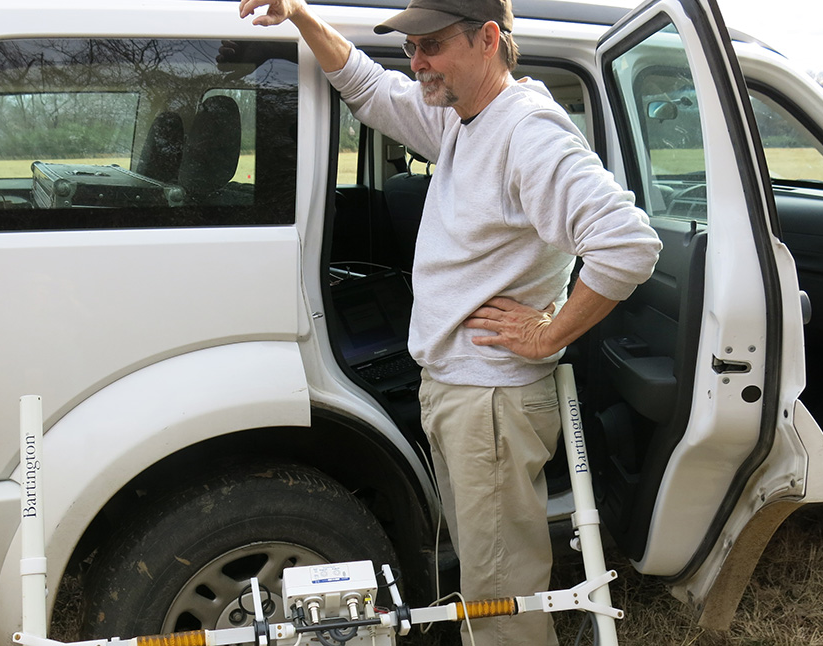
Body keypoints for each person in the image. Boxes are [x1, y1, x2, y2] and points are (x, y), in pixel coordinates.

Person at [238, 1, 661, 644]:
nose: (417, 62)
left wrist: (549, 333)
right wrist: (300, 14)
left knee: (503, 597)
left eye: (431, 45)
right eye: (411, 48)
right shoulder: (466, 119)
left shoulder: (527, 131)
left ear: (489, 39)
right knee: (486, 577)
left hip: (489, 396)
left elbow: (629, 243)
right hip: (462, 390)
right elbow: (370, 88)